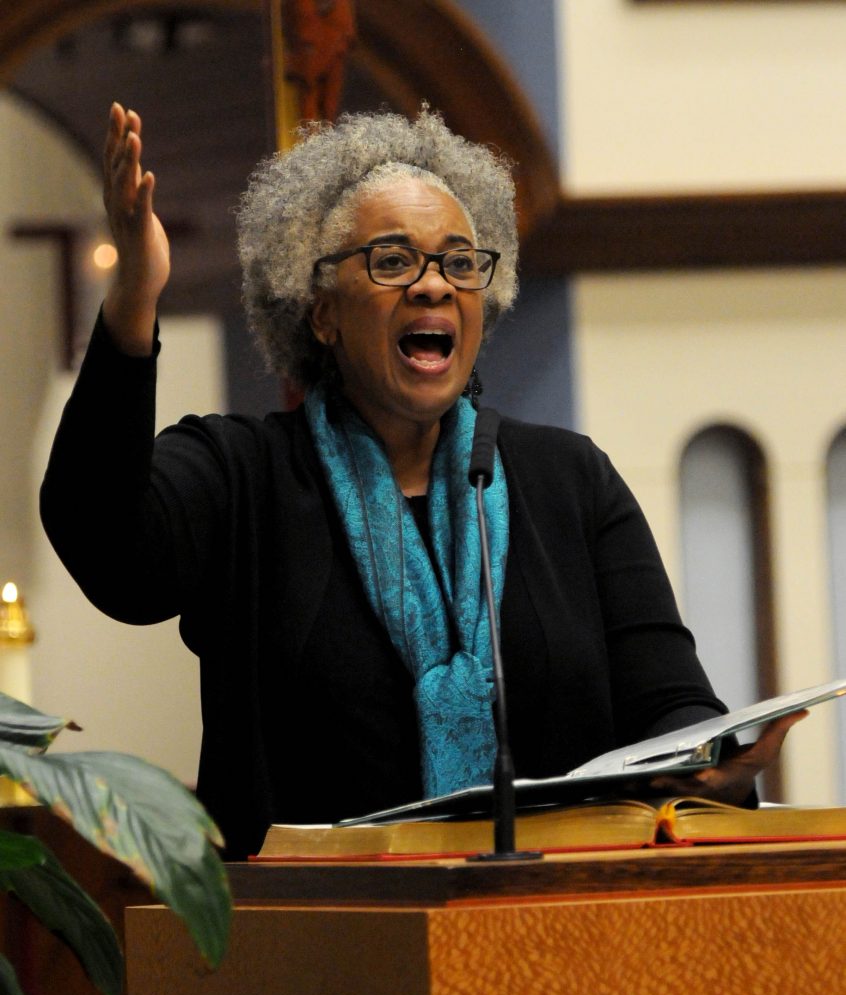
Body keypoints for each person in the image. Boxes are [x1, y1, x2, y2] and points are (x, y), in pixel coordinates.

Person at [40, 103, 802, 859]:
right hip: (317, 954)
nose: (434, 286)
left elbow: (668, 703)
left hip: (558, 937)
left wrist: (714, 767)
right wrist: (135, 296)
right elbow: (108, 546)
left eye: (459, 262)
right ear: (322, 312)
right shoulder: (244, 476)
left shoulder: (569, 482)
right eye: (393, 261)